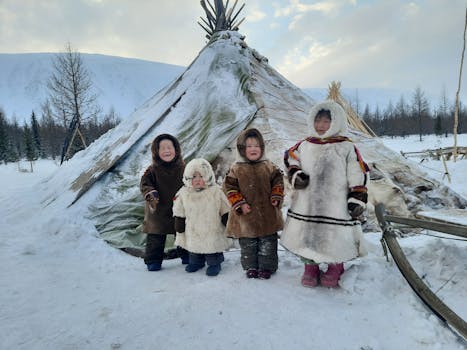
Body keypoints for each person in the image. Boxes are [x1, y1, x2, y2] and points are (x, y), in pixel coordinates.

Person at [281, 100, 369, 288]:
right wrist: (296, 173)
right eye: (317, 121)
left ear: (336, 122)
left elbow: (357, 171)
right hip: (307, 203)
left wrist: (357, 196)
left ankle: (336, 266)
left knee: (335, 236)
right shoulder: (305, 145)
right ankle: (310, 267)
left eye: (326, 121)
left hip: (335, 204)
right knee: (308, 236)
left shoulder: (346, 147)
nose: (320, 126)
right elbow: (290, 158)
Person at [223, 128, 284, 279]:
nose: (253, 149)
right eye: (249, 146)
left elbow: (278, 181)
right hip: (246, 215)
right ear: (242, 149)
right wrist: (239, 203)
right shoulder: (236, 168)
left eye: (256, 145)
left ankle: (266, 267)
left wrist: (276, 195)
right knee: (248, 243)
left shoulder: (269, 166)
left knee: (268, 242)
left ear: (262, 148)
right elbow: (229, 187)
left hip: (267, 213)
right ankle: (250, 266)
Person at [172, 158, 231, 277]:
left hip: (212, 229)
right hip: (193, 230)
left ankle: (215, 263)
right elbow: (179, 209)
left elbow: (225, 207)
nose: (198, 180)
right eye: (194, 177)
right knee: (193, 249)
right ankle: (197, 263)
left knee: (212, 248)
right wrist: (179, 222)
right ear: (188, 178)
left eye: (201, 176)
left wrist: (227, 220)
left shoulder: (216, 191)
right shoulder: (183, 193)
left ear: (208, 176)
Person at [140, 134, 189, 271]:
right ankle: (153, 260)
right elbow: (145, 184)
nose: (167, 151)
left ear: (176, 149)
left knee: (182, 232)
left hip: (179, 208)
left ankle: (187, 255)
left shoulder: (184, 168)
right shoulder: (152, 170)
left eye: (170, 147)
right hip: (158, 208)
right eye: (162, 148)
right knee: (156, 236)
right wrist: (150, 193)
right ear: (156, 152)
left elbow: (190, 182)